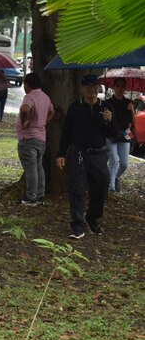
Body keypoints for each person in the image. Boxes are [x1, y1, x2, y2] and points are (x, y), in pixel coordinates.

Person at [57, 74, 115, 239]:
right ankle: (77, 225)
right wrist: (61, 154)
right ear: (82, 89)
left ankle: (93, 218)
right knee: (77, 189)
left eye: (95, 87)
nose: (92, 90)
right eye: (88, 87)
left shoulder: (106, 107)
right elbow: (66, 132)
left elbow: (113, 133)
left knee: (101, 187)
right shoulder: (75, 107)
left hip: (98, 154)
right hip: (78, 154)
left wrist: (109, 121)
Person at [16, 72, 53, 205]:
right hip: (41, 138)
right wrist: (43, 122)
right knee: (38, 166)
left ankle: (31, 196)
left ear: (27, 85)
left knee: (31, 168)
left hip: (28, 137)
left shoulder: (29, 97)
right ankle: (40, 194)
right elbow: (52, 112)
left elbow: (25, 109)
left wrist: (25, 121)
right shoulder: (45, 97)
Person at [105, 77, 136, 192]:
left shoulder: (129, 103)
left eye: (122, 86)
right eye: (117, 86)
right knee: (114, 160)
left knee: (124, 163)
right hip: (111, 134)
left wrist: (132, 110)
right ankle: (111, 187)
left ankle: (115, 178)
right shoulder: (108, 103)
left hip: (125, 134)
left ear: (125, 88)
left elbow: (134, 122)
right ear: (114, 88)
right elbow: (105, 122)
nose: (120, 88)